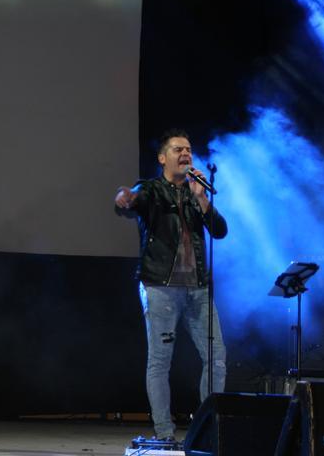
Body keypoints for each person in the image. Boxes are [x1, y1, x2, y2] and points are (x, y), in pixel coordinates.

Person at [114, 128, 228, 441]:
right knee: (160, 361)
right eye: (178, 149)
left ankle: (207, 431)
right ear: (163, 158)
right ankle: (165, 434)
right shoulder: (151, 189)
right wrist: (125, 196)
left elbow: (220, 230)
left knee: (216, 356)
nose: (185, 154)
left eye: (188, 149)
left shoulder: (195, 194)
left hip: (198, 289)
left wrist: (201, 198)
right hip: (160, 288)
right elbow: (133, 197)